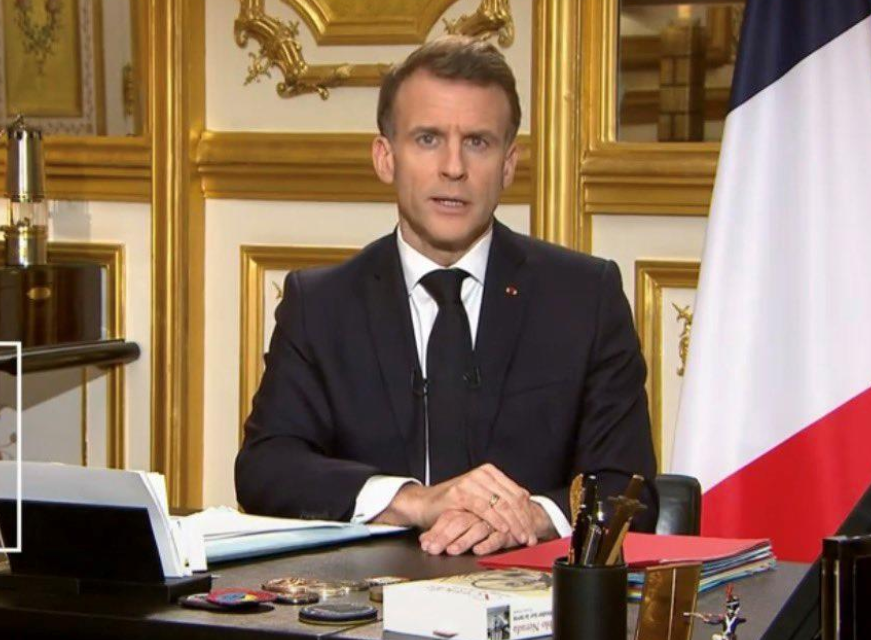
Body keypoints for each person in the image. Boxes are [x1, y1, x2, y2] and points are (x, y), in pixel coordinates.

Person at [235, 36, 656, 556]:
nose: (453, 167)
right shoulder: (321, 304)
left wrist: (530, 517)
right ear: (385, 158)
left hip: (529, 590)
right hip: (370, 596)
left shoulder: (584, 297)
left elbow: (628, 487)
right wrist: (413, 501)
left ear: (508, 164)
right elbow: (266, 467)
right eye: (428, 139)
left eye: (477, 142)